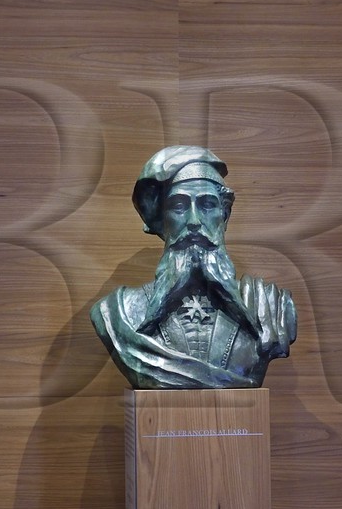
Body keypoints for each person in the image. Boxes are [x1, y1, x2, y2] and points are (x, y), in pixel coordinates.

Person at [91, 146, 296, 389]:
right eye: (178, 206)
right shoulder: (118, 313)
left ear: (225, 214)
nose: (194, 222)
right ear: (162, 219)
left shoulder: (270, 307)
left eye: (207, 205)